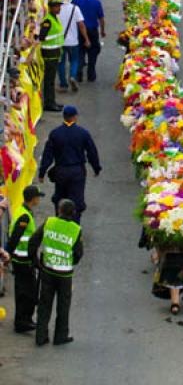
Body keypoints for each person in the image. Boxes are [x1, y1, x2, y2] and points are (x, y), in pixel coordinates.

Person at [29, 198, 83, 346]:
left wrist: (34, 261)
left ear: (59, 210)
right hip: (65, 273)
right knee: (63, 305)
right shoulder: (75, 229)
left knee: (44, 303)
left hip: (47, 270)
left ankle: (41, 336)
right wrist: (70, 262)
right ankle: (60, 336)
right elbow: (78, 253)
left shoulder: (49, 222)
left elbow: (33, 240)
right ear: (72, 214)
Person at [38, 106, 101, 223]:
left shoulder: (55, 134)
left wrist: (42, 172)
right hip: (77, 171)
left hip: (60, 171)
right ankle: (75, 229)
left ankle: (59, 227)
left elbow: (48, 154)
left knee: (59, 199)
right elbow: (92, 152)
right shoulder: (83, 133)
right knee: (76, 202)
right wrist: (96, 168)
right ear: (75, 117)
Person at [6, 184, 44, 333]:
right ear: (33, 199)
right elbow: (16, 236)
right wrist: (7, 255)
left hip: (23, 259)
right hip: (22, 260)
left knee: (27, 290)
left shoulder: (24, 211)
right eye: (38, 197)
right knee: (25, 292)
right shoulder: (24, 216)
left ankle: (25, 319)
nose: (39, 200)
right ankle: (22, 322)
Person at [57, 0, 90, 94]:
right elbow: (81, 25)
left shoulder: (57, 9)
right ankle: (72, 76)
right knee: (74, 60)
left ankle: (63, 84)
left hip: (60, 41)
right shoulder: (75, 8)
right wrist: (86, 38)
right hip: (73, 41)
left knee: (61, 63)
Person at [75, 0, 105, 83]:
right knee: (93, 51)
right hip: (92, 30)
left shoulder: (77, 0)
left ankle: (78, 72)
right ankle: (91, 74)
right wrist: (102, 31)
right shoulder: (97, 2)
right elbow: (101, 18)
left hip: (79, 29)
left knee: (80, 51)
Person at [39, 0, 65, 112]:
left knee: (51, 79)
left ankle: (52, 101)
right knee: (49, 80)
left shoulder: (54, 18)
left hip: (54, 53)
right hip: (49, 54)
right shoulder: (48, 21)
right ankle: (49, 103)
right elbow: (42, 37)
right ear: (51, 8)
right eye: (56, 6)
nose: (59, 8)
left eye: (59, 6)